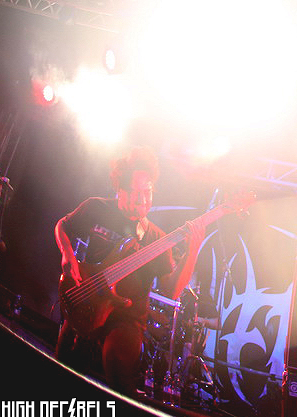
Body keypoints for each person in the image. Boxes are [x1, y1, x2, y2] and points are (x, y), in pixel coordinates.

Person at [54, 146, 204, 392]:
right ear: (120, 191)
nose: (143, 199)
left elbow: (172, 290)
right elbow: (62, 226)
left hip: (127, 319)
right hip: (87, 301)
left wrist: (193, 250)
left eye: (148, 192)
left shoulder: (156, 239)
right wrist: (67, 256)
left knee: (116, 362)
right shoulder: (97, 208)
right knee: (62, 366)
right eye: (135, 192)